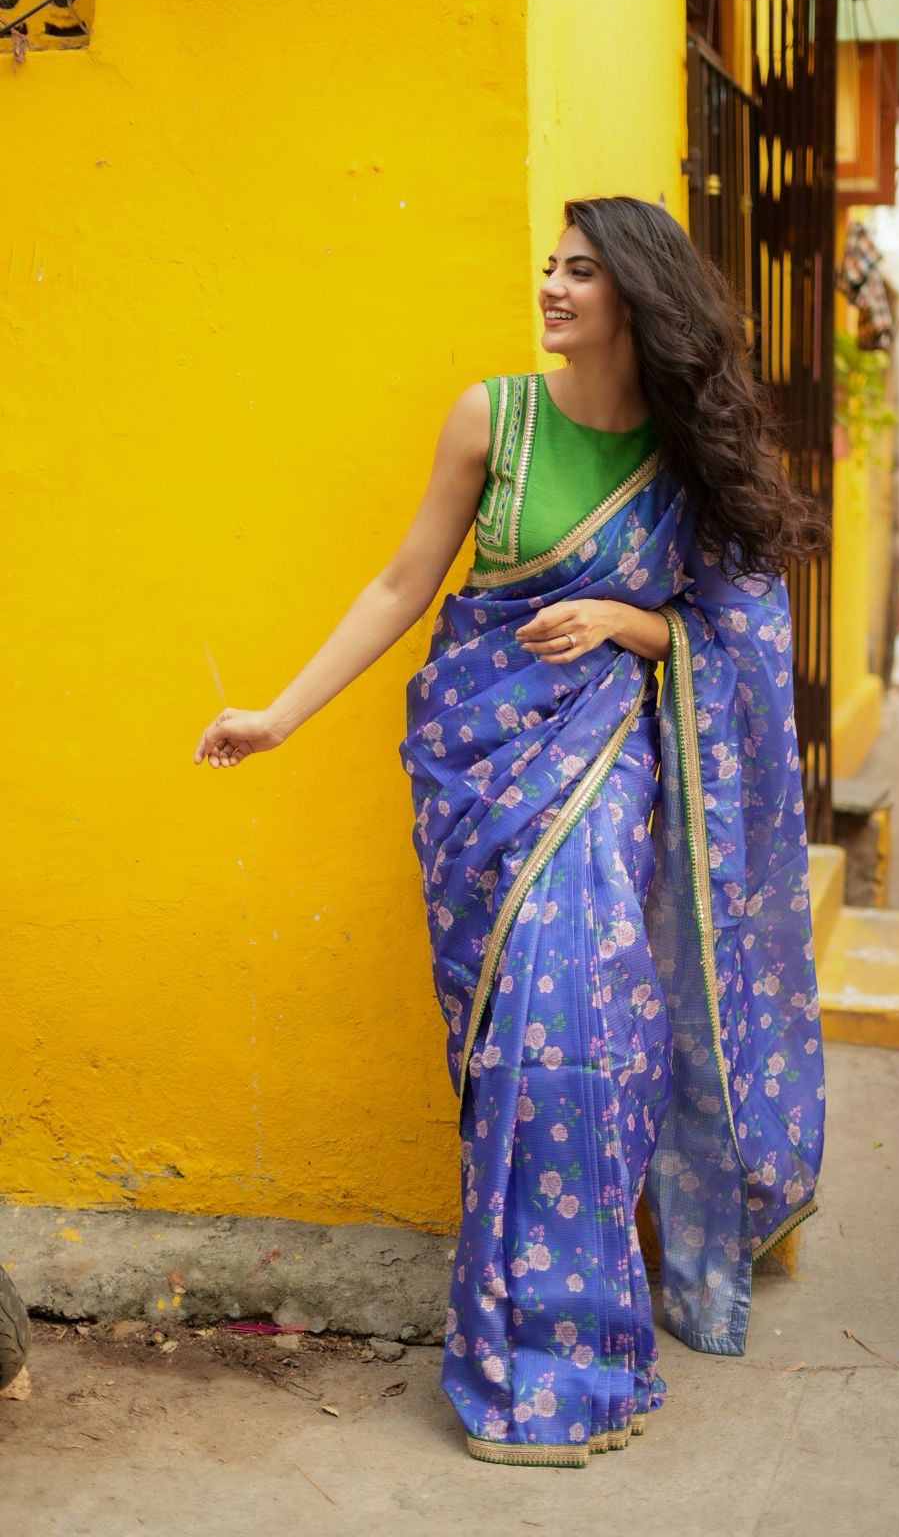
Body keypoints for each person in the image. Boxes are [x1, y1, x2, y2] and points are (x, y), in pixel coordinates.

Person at [193, 195, 828, 1468]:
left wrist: (626, 623)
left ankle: (581, 1354)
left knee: (586, 1033)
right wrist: (279, 714)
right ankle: (510, 1340)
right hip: (478, 775)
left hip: (600, 775)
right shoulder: (495, 417)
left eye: (579, 271)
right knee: (513, 1057)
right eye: (549, 264)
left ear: (635, 301)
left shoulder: (683, 455)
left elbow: (737, 636)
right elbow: (401, 581)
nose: (549, 286)